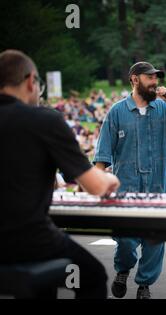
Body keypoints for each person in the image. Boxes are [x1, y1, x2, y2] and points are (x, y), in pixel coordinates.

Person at [0, 49, 120, 299]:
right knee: (93, 276)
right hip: (27, 238)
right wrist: (111, 178)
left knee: (45, 282)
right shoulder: (44, 120)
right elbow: (95, 186)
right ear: (32, 81)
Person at [94, 61, 166, 299]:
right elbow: (102, 155)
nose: (155, 82)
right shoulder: (117, 112)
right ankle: (123, 270)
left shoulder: (163, 108)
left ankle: (144, 286)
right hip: (125, 190)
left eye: (156, 78)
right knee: (126, 241)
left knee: (155, 241)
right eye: (149, 77)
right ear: (135, 79)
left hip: (158, 188)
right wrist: (97, 188)